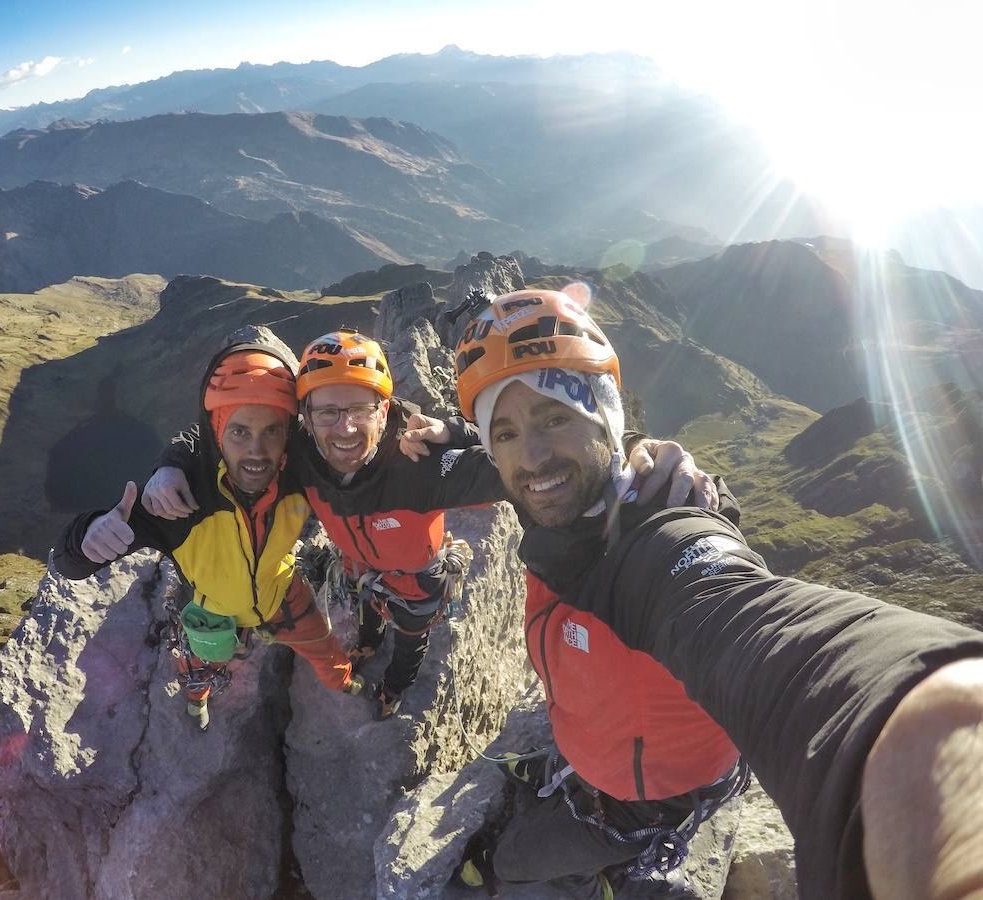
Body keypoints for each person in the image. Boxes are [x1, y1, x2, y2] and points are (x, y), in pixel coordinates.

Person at [438, 287, 983, 899]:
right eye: (504, 432)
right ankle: (570, 771)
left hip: (653, 794)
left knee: (508, 862)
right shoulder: (554, 506)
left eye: (555, 417)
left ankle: (613, 860)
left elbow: (747, 620)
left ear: (606, 417)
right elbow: (505, 465)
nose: (531, 458)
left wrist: (912, 714)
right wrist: (441, 438)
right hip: (596, 745)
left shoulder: (658, 535)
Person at [146, 329, 718, 721]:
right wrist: (171, 465)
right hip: (360, 570)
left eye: (359, 410)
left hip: (416, 578)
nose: (343, 428)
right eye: (326, 412)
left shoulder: (425, 467)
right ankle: (368, 650)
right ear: (307, 419)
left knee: (410, 636)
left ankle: (394, 685)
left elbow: (526, 464)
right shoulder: (299, 456)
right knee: (372, 618)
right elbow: (224, 433)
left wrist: (631, 451)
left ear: (384, 409)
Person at [53, 327, 362, 731]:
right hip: (213, 610)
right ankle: (197, 696)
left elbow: (360, 439)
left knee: (323, 647)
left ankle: (342, 681)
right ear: (218, 434)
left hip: (279, 592)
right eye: (239, 432)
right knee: (200, 662)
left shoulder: (300, 471)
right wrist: (88, 534)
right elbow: (69, 565)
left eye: (271, 431)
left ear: (289, 434)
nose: (256, 451)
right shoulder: (179, 501)